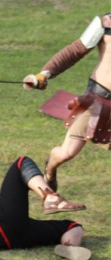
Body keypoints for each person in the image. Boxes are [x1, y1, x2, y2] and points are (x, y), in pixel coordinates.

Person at [22, 13, 111, 193]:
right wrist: (44, 74)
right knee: (67, 153)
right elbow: (74, 51)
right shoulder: (106, 23)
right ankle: (50, 169)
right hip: (97, 100)